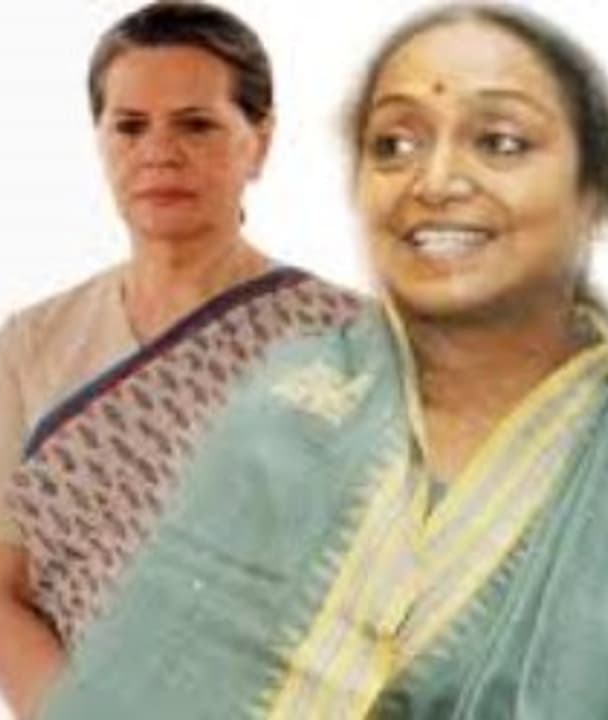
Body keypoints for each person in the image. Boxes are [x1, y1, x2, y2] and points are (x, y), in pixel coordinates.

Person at [40, 3, 608, 718]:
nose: (434, 182)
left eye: (499, 141)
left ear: (593, 189)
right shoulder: (290, 403)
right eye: (394, 145)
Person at [0, 2, 360, 716]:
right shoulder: (32, 343)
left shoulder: (350, 340)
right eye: (130, 126)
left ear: (260, 141)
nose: (159, 153)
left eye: (196, 124)